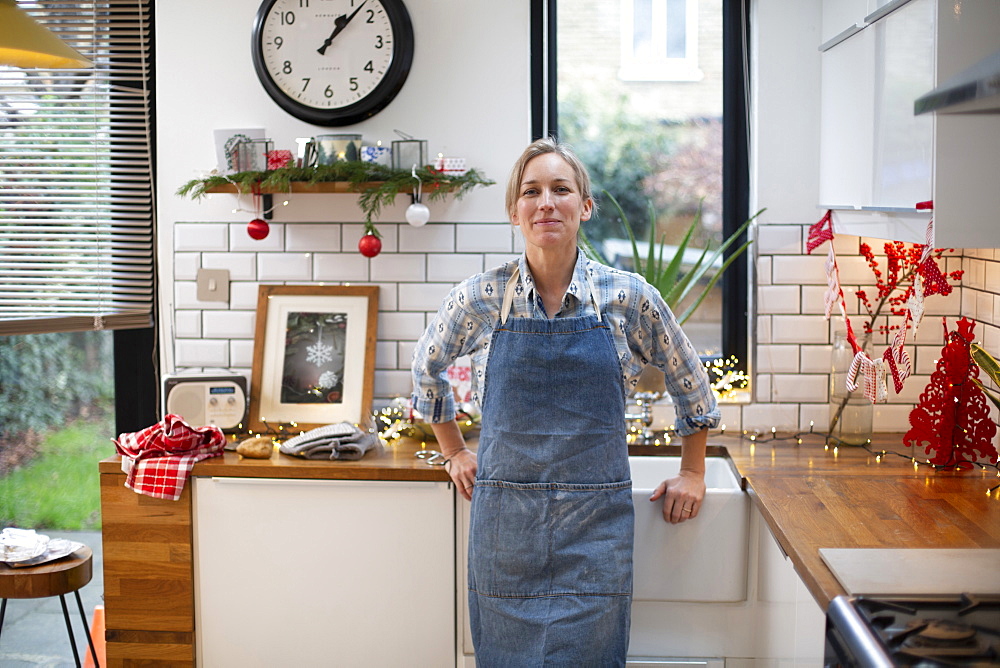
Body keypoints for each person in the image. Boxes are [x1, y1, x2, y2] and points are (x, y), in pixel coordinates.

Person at [411, 137, 720, 666]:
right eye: (531, 191)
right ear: (515, 211)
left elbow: (688, 378)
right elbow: (426, 367)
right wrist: (454, 451)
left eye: (561, 189)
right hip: (507, 528)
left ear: (586, 206)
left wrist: (693, 472)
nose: (546, 202)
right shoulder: (482, 297)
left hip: (594, 527)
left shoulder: (628, 296)